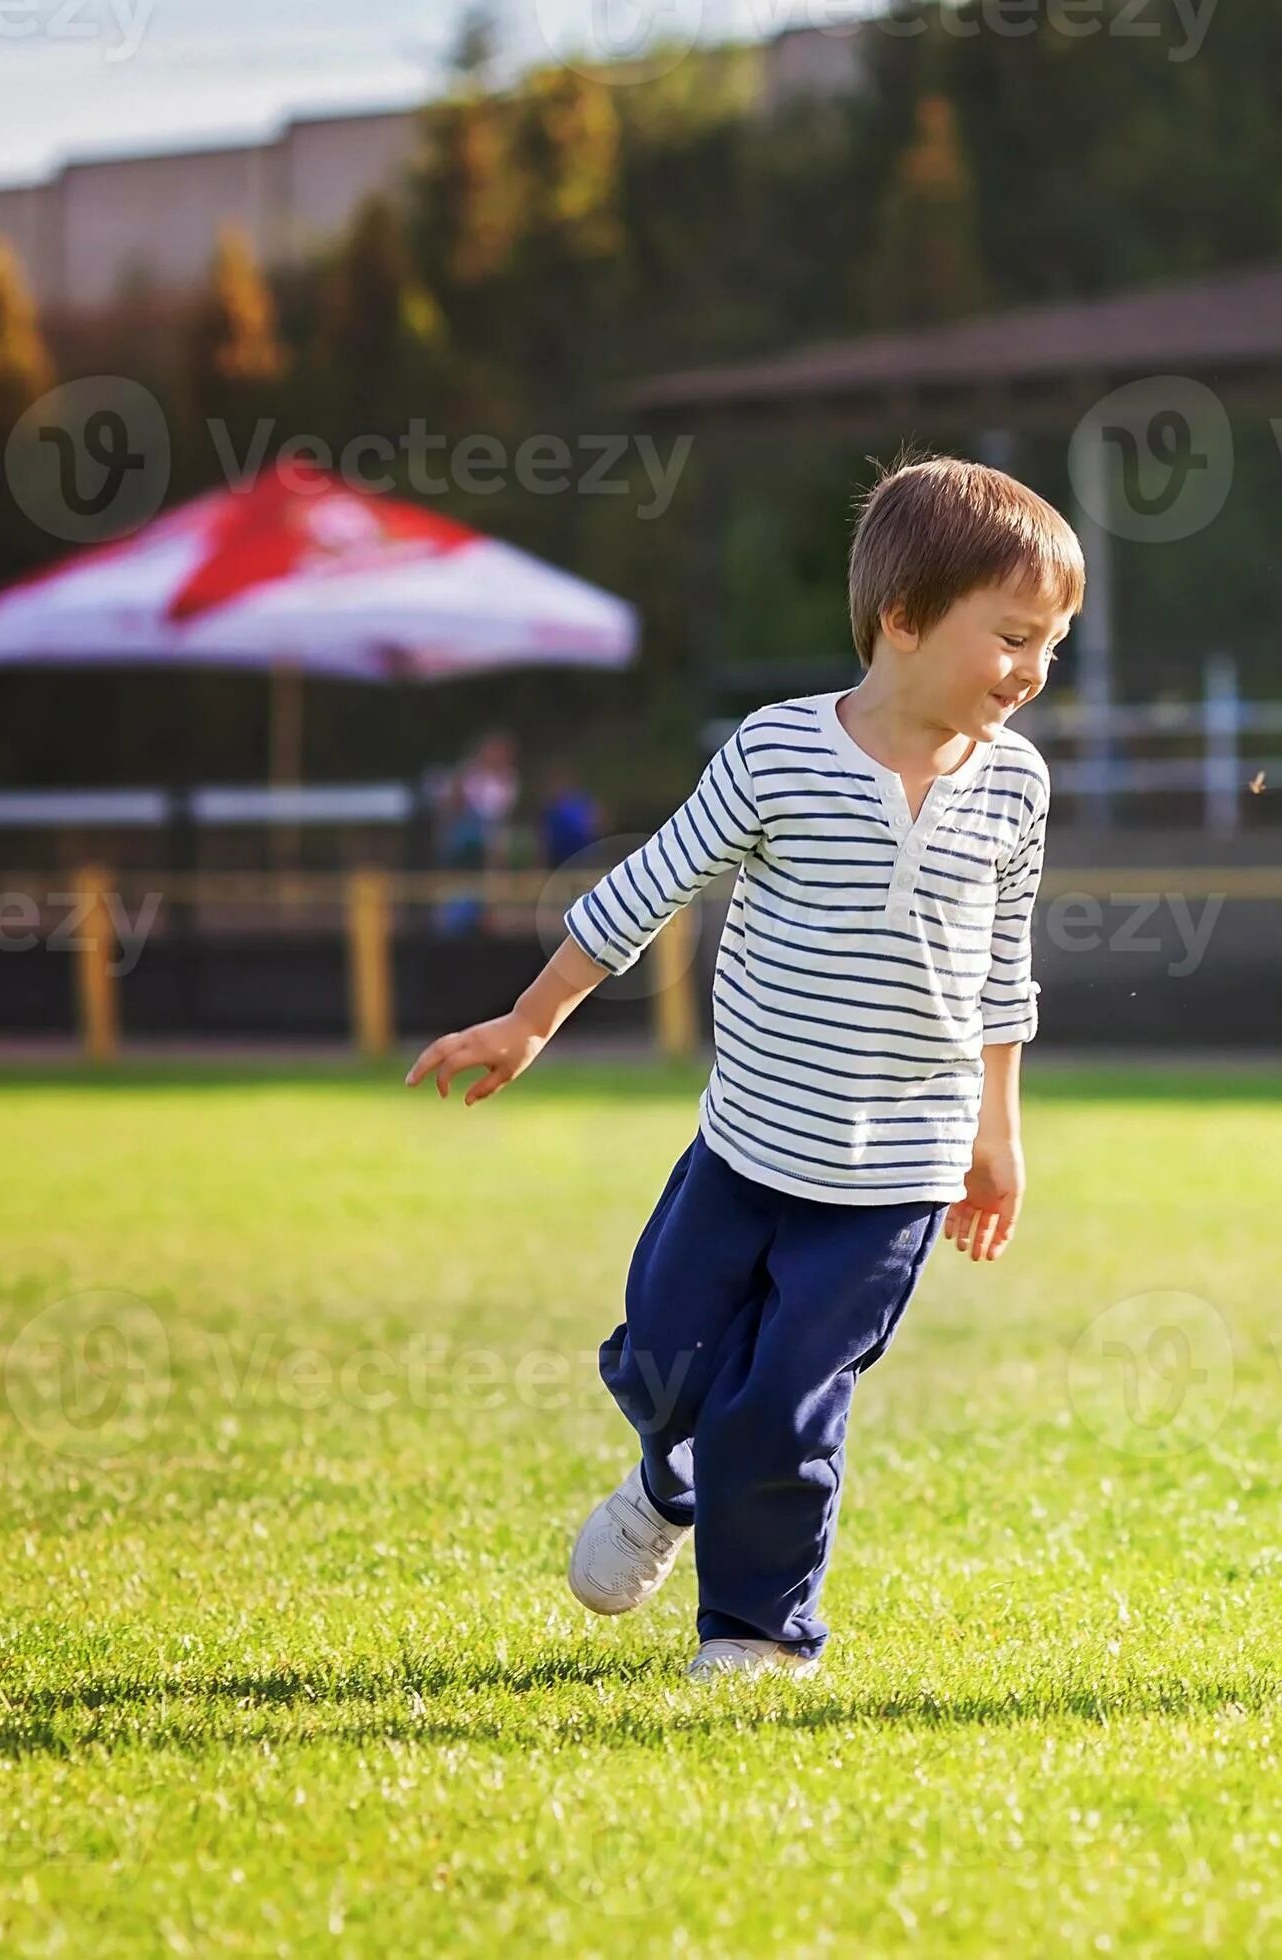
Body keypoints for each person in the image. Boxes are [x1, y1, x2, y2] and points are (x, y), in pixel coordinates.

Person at [406, 457, 1080, 1681]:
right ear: (906, 617)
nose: (1036, 668)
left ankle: (760, 1633)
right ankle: (671, 1475)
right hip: (748, 1149)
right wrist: (531, 1017)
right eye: (1017, 636)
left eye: (1054, 641)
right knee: (663, 1357)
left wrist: (999, 1133)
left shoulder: (1019, 786)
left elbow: (1005, 967)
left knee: (788, 1404)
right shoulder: (777, 754)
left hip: (897, 1178)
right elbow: (645, 884)